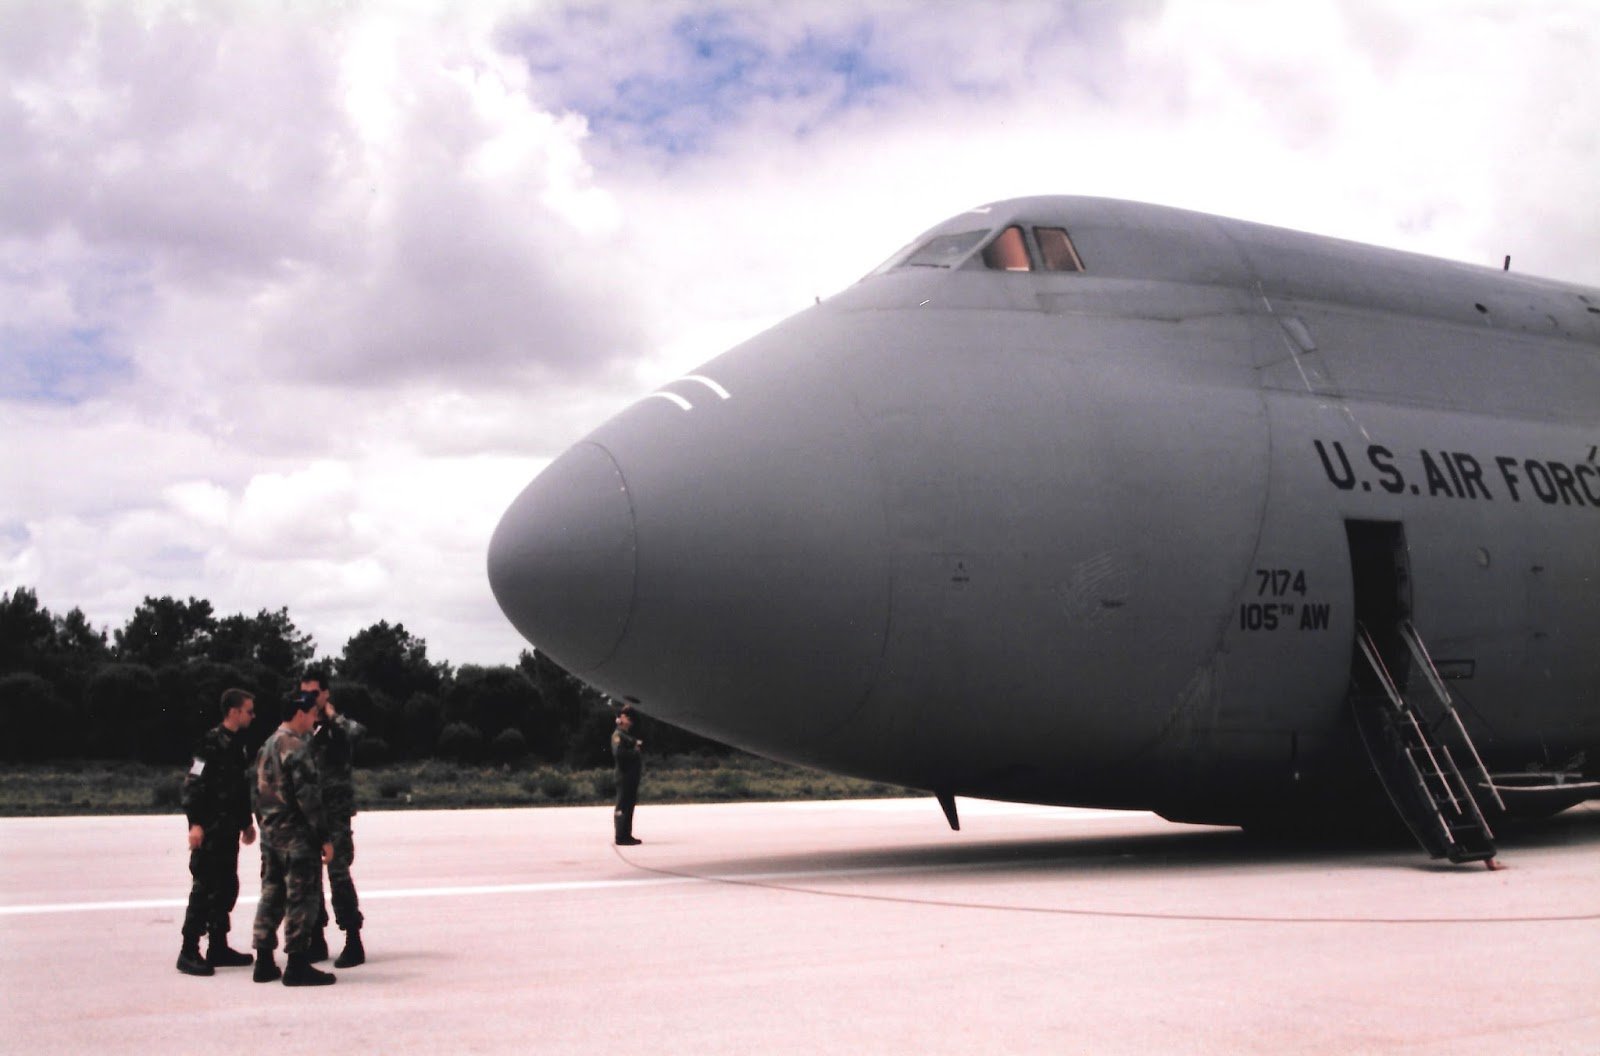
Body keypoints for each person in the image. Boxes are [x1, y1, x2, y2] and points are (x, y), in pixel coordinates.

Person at [250, 690, 336, 986]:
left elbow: (256, 791)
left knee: (271, 894)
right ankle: (297, 964)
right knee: (301, 898)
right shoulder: (295, 747)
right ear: (301, 714)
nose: (315, 720)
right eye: (313, 714)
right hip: (296, 836)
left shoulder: (267, 744)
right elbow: (308, 798)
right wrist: (324, 837)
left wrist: (264, 825)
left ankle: (263, 961)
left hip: (271, 834)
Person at [176, 688, 258, 976]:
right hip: (210, 830)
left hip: (228, 831)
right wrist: (195, 823)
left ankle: (218, 946)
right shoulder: (209, 743)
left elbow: (239, 789)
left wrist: (246, 823)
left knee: (226, 888)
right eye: (249, 710)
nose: (253, 715)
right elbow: (192, 784)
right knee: (204, 889)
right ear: (233, 711)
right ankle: (188, 951)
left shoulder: (239, 745)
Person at [304, 672, 365, 968]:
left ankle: (353, 939)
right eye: (305, 694)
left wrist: (330, 715)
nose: (310, 699)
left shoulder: (338, 725)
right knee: (310, 877)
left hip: (336, 813)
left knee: (338, 874)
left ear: (326, 694)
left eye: (315, 693)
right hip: (309, 813)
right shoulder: (302, 727)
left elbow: (357, 734)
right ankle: (317, 937)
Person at [611, 704, 644, 846]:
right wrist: (635, 752)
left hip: (631, 776)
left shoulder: (627, 735)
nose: (629, 719)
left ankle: (627, 835)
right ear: (620, 719)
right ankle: (620, 836)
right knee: (622, 806)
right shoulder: (618, 735)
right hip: (624, 776)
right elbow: (619, 753)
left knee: (629, 806)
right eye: (625, 716)